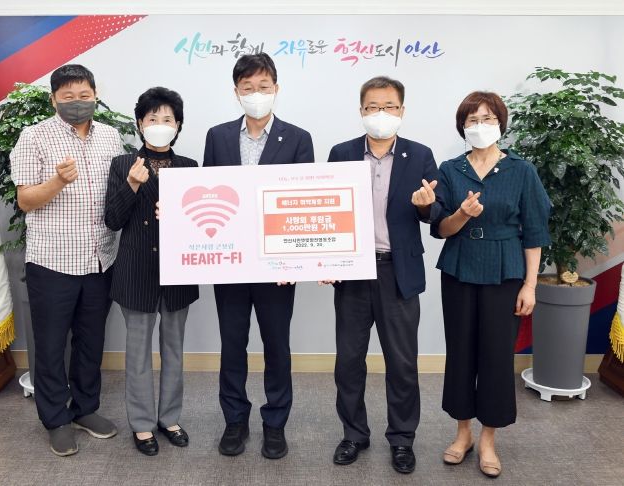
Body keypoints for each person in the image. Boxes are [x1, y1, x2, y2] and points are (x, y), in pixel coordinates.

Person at [430, 91, 551, 478]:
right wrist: (463, 214)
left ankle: (488, 440)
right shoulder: (450, 169)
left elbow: (535, 232)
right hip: (459, 267)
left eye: (487, 119)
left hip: (506, 271)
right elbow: (441, 228)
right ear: (462, 127)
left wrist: (530, 285)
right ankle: (463, 433)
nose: (479, 126)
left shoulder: (521, 170)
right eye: (472, 120)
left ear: (500, 123)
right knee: (461, 352)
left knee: (497, 357)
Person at [324, 76, 441, 474]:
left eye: (389, 106)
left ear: (402, 111)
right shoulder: (341, 153)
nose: (381, 114)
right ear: (361, 111)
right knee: (348, 361)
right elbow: (327, 212)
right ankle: (354, 434)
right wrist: (325, 260)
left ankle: (402, 439)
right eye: (373, 107)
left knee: (402, 363)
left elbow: (436, 213)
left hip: (398, 272)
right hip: (353, 271)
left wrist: (426, 205)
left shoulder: (420, 155)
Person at [203, 53, 314, 459]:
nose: (256, 94)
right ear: (236, 92)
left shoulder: (298, 138)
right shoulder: (217, 136)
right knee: (232, 345)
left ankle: (275, 423)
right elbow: (207, 193)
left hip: (276, 265)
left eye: (263, 87)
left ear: (276, 89)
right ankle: (235, 420)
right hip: (230, 261)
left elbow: (303, 203)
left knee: (276, 346)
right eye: (247, 87)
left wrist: (294, 261)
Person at [10, 64, 123, 456]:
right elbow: (25, 200)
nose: (78, 103)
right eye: (68, 97)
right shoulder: (34, 137)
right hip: (52, 261)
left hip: (100, 258)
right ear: (53, 99)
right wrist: (58, 181)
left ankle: (85, 409)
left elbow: (118, 191)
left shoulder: (110, 136)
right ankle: (56, 418)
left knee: (91, 342)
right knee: (51, 344)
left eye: (84, 95)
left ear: (95, 95)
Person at [105, 87, 199, 456]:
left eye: (167, 119)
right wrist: (132, 184)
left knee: (174, 349)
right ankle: (142, 425)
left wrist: (180, 217)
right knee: (138, 353)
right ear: (140, 124)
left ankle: (170, 419)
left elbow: (203, 223)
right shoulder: (122, 164)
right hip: (136, 271)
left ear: (178, 126)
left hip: (178, 272)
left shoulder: (189, 167)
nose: (160, 125)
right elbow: (113, 219)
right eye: (152, 118)